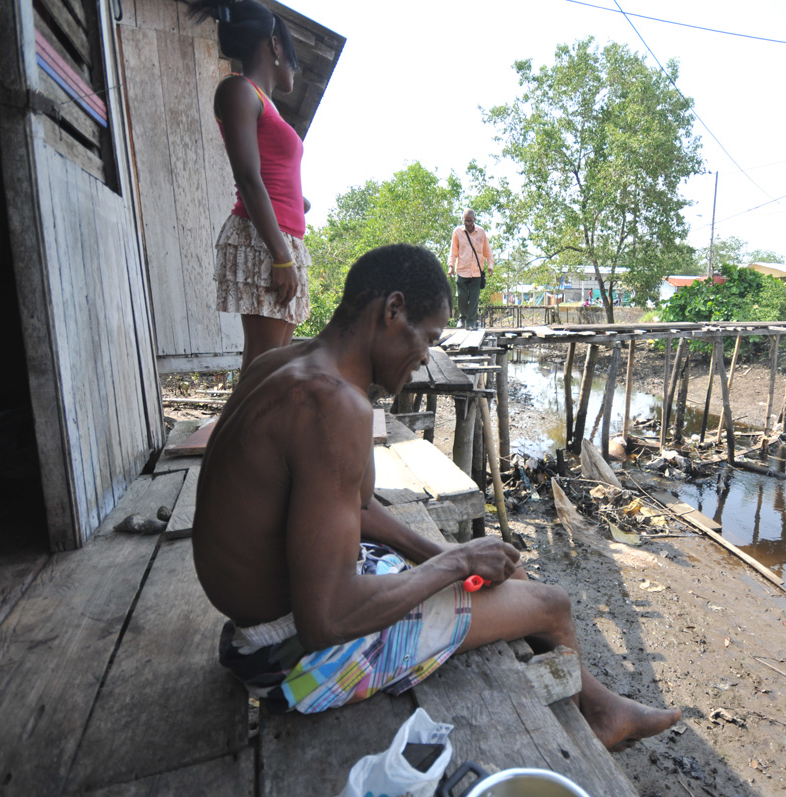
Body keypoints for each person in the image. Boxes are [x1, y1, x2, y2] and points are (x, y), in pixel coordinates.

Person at [192, 243, 680, 751]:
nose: (426, 356)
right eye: (427, 338)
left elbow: (357, 509)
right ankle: (597, 724)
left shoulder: (283, 363)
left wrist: (443, 553)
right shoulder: (332, 407)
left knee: (507, 571)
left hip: (265, 621)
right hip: (290, 657)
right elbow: (328, 619)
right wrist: (455, 564)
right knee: (553, 604)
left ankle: (601, 707)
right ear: (393, 311)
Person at [189, 0, 311, 374]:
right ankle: (244, 433)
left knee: (273, 367)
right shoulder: (239, 90)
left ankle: (260, 433)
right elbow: (248, 177)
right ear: (275, 45)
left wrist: (298, 202)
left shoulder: (267, 106)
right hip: (266, 243)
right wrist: (281, 257)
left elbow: (271, 172)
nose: (294, 67)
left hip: (283, 238)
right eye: (291, 54)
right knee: (263, 365)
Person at [447, 209, 493, 329]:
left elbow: (487, 251)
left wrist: (490, 266)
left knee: (474, 298)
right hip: (462, 270)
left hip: (477, 272)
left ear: (474, 220)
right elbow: (453, 251)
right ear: (462, 220)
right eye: (465, 221)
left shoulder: (481, 232)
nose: (468, 224)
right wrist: (450, 266)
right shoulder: (457, 232)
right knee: (461, 297)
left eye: (470, 221)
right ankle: (462, 318)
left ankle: (471, 322)